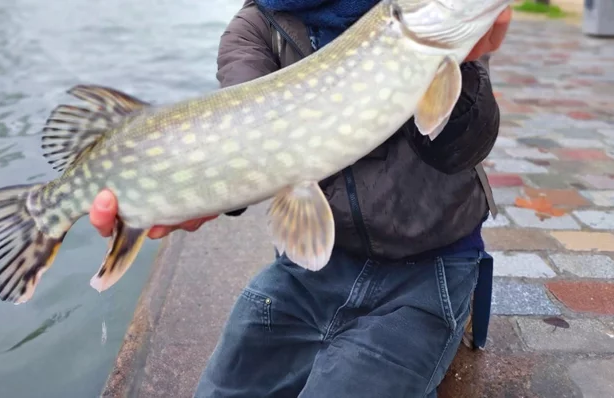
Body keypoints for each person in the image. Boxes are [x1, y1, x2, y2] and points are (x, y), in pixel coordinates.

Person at [90, 1, 512, 396]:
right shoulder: (255, 28)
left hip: (430, 266)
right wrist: (192, 189)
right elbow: (250, 143)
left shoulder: (427, 22)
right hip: (313, 268)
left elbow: (463, 147)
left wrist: (468, 67)